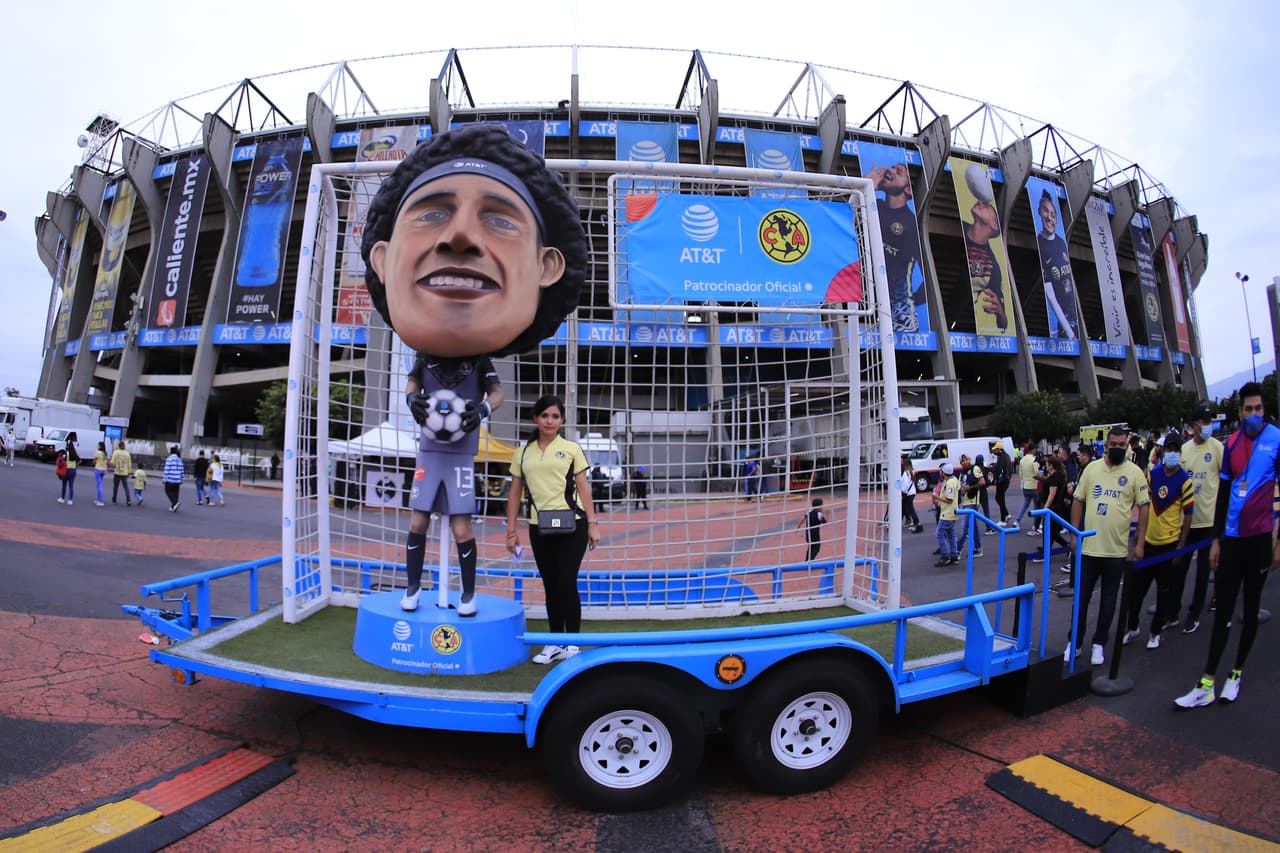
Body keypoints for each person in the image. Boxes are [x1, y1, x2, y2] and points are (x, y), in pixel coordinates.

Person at [360, 123, 587, 618]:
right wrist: (412, 400)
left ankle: (465, 594)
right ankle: (414, 591)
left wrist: (478, 412)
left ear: (547, 267)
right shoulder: (422, 361)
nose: (459, 235)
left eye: (500, 220)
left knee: (462, 528)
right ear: (383, 260)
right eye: (434, 212)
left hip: (461, 456)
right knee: (417, 523)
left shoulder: (481, 365)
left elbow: (497, 395)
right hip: (428, 454)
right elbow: (413, 382)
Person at [1174, 384, 1280, 708]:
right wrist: (1216, 539)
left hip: (1261, 540)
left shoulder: (1276, 439)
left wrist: (1278, 540)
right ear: (1239, 413)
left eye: (1258, 409)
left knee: (1249, 611)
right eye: (1247, 410)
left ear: (1264, 410)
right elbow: (1223, 497)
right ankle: (1206, 682)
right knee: (1223, 613)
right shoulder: (1230, 444)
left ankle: (1235, 674)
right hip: (1231, 541)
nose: (1252, 415)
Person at [505, 394, 600, 664]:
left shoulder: (571, 449)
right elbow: (514, 493)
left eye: (555, 416)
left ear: (562, 420)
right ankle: (555, 643)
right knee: (550, 585)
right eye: (545, 415)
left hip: (574, 525)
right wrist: (511, 531)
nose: (549, 421)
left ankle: (573, 644)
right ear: (536, 418)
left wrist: (593, 524)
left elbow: (584, 487)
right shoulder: (522, 453)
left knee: (566, 583)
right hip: (540, 527)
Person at [1067, 426, 1150, 666]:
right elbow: (1078, 500)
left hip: (1115, 551)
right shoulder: (1092, 469)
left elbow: (1144, 507)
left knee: (1109, 601)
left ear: (1127, 445)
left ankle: (1098, 643)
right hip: (1089, 548)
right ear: (1106, 445)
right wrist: (1074, 534)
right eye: (1112, 445)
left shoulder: (1135, 473)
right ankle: (1075, 641)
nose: (1117, 448)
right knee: (1081, 600)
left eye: (1121, 445)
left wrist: (1140, 542)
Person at [1122, 433, 1193, 650]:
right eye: (1169, 449)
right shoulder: (1153, 474)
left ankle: (1155, 632)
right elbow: (1144, 506)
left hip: (1169, 545)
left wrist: (1181, 547)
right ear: (1163, 451)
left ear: (1179, 453)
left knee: (1164, 593)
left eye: (1175, 450)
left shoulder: (1185, 481)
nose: (1172, 453)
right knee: (1135, 593)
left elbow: (1188, 515)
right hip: (1149, 543)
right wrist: (1139, 540)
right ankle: (1133, 627)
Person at [1173, 405, 1224, 633]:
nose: (1207, 426)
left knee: (1203, 571)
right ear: (1193, 426)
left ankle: (1194, 614)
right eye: (1203, 422)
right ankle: (1173, 611)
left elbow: (1225, 481)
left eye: (1208, 421)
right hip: (1187, 523)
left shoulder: (1217, 448)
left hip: (1209, 522)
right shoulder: (1184, 450)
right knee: (1180, 569)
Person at [864, 161, 923, 332]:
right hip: (869, 307)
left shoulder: (910, 223)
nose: (890, 171)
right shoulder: (875, 206)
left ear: (908, 190)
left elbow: (926, 270)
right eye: (891, 168)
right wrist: (868, 186)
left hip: (900, 316)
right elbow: (844, 222)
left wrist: (911, 301)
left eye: (898, 171)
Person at [1033, 189, 1079, 341]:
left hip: (1076, 319)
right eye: (1046, 211)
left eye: (1053, 214)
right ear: (1039, 212)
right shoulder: (1040, 245)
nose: (1050, 217)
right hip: (1064, 325)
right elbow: (1050, 296)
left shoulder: (1061, 242)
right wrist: (1069, 332)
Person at [962, 199, 1009, 333]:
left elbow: (1004, 324)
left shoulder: (992, 266)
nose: (980, 202)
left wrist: (1000, 312)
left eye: (987, 206)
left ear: (994, 225)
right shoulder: (955, 227)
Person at [955, 455, 985, 558]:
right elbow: (960, 487)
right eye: (962, 461)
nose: (964, 462)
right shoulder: (961, 473)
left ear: (969, 460)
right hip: (965, 502)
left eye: (966, 460)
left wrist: (970, 487)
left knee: (964, 527)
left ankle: (957, 549)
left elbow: (982, 482)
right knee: (973, 526)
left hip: (972, 502)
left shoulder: (975, 469)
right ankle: (978, 548)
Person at [933, 462, 959, 566]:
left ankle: (945, 555)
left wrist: (936, 497)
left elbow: (949, 499)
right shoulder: (952, 481)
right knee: (950, 534)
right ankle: (954, 555)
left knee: (939, 534)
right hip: (949, 512)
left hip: (947, 513)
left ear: (944, 472)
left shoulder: (950, 483)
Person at [1014, 443, 1040, 528]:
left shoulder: (1022, 460)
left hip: (1025, 485)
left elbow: (1020, 474)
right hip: (1034, 485)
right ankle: (1035, 524)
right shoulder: (1033, 460)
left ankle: (1017, 520)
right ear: (1032, 450)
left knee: (1025, 503)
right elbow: (1036, 473)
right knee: (1037, 505)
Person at [897, 456, 923, 533]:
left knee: (909, 509)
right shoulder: (911, 471)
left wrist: (902, 491)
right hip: (911, 492)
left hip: (907, 493)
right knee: (906, 508)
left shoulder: (906, 473)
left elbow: (905, 484)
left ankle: (917, 523)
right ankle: (916, 523)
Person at [989, 442, 1013, 526]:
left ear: (999, 449)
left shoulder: (1002, 457)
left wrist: (991, 469)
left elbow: (998, 469)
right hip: (1005, 480)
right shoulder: (1006, 456)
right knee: (1000, 498)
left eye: (995, 450)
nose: (994, 452)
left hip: (1002, 481)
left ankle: (1004, 518)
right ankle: (1005, 515)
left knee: (999, 498)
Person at [60, 431, 81, 505]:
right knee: (71, 486)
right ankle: (70, 500)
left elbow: (62, 461)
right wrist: (75, 466)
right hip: (73, 470)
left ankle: (62, 498)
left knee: (64, 485)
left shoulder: (66, 453)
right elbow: (79, 460)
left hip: (66, 470)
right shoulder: (75, 453)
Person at [110, 439, 132, 506]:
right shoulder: (127, 453)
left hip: (117, 472)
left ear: (119, 446)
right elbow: (129, 464)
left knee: (116, 487)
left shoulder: (115, 452)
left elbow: (112, 463)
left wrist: (113, 465)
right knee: (126, 487)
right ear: (124, 446)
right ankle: (128, 500)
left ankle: (114, 499)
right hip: (124, 473)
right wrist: (129, 472)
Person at [163, 445, 184, 512]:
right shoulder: (179, 459)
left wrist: (164, 479)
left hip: (170, 478)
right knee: (175, 493)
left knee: (168, 491)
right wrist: (181, 479)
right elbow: (182, 470)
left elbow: (166, 470)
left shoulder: (169, 459)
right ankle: (173, 506)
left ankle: (175, 503)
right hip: (177, 479)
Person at [92, 440, 108, 506]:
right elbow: (106, 462)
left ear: (100, 446)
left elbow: (94, 461)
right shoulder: (105, 453)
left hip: (98, 469)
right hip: (103, 470)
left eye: (98, 445)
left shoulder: (98, 452)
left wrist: (94, 462)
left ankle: (100, 501)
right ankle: (98, 499)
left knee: (99, 485)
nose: (97, 446)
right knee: (99, 484)